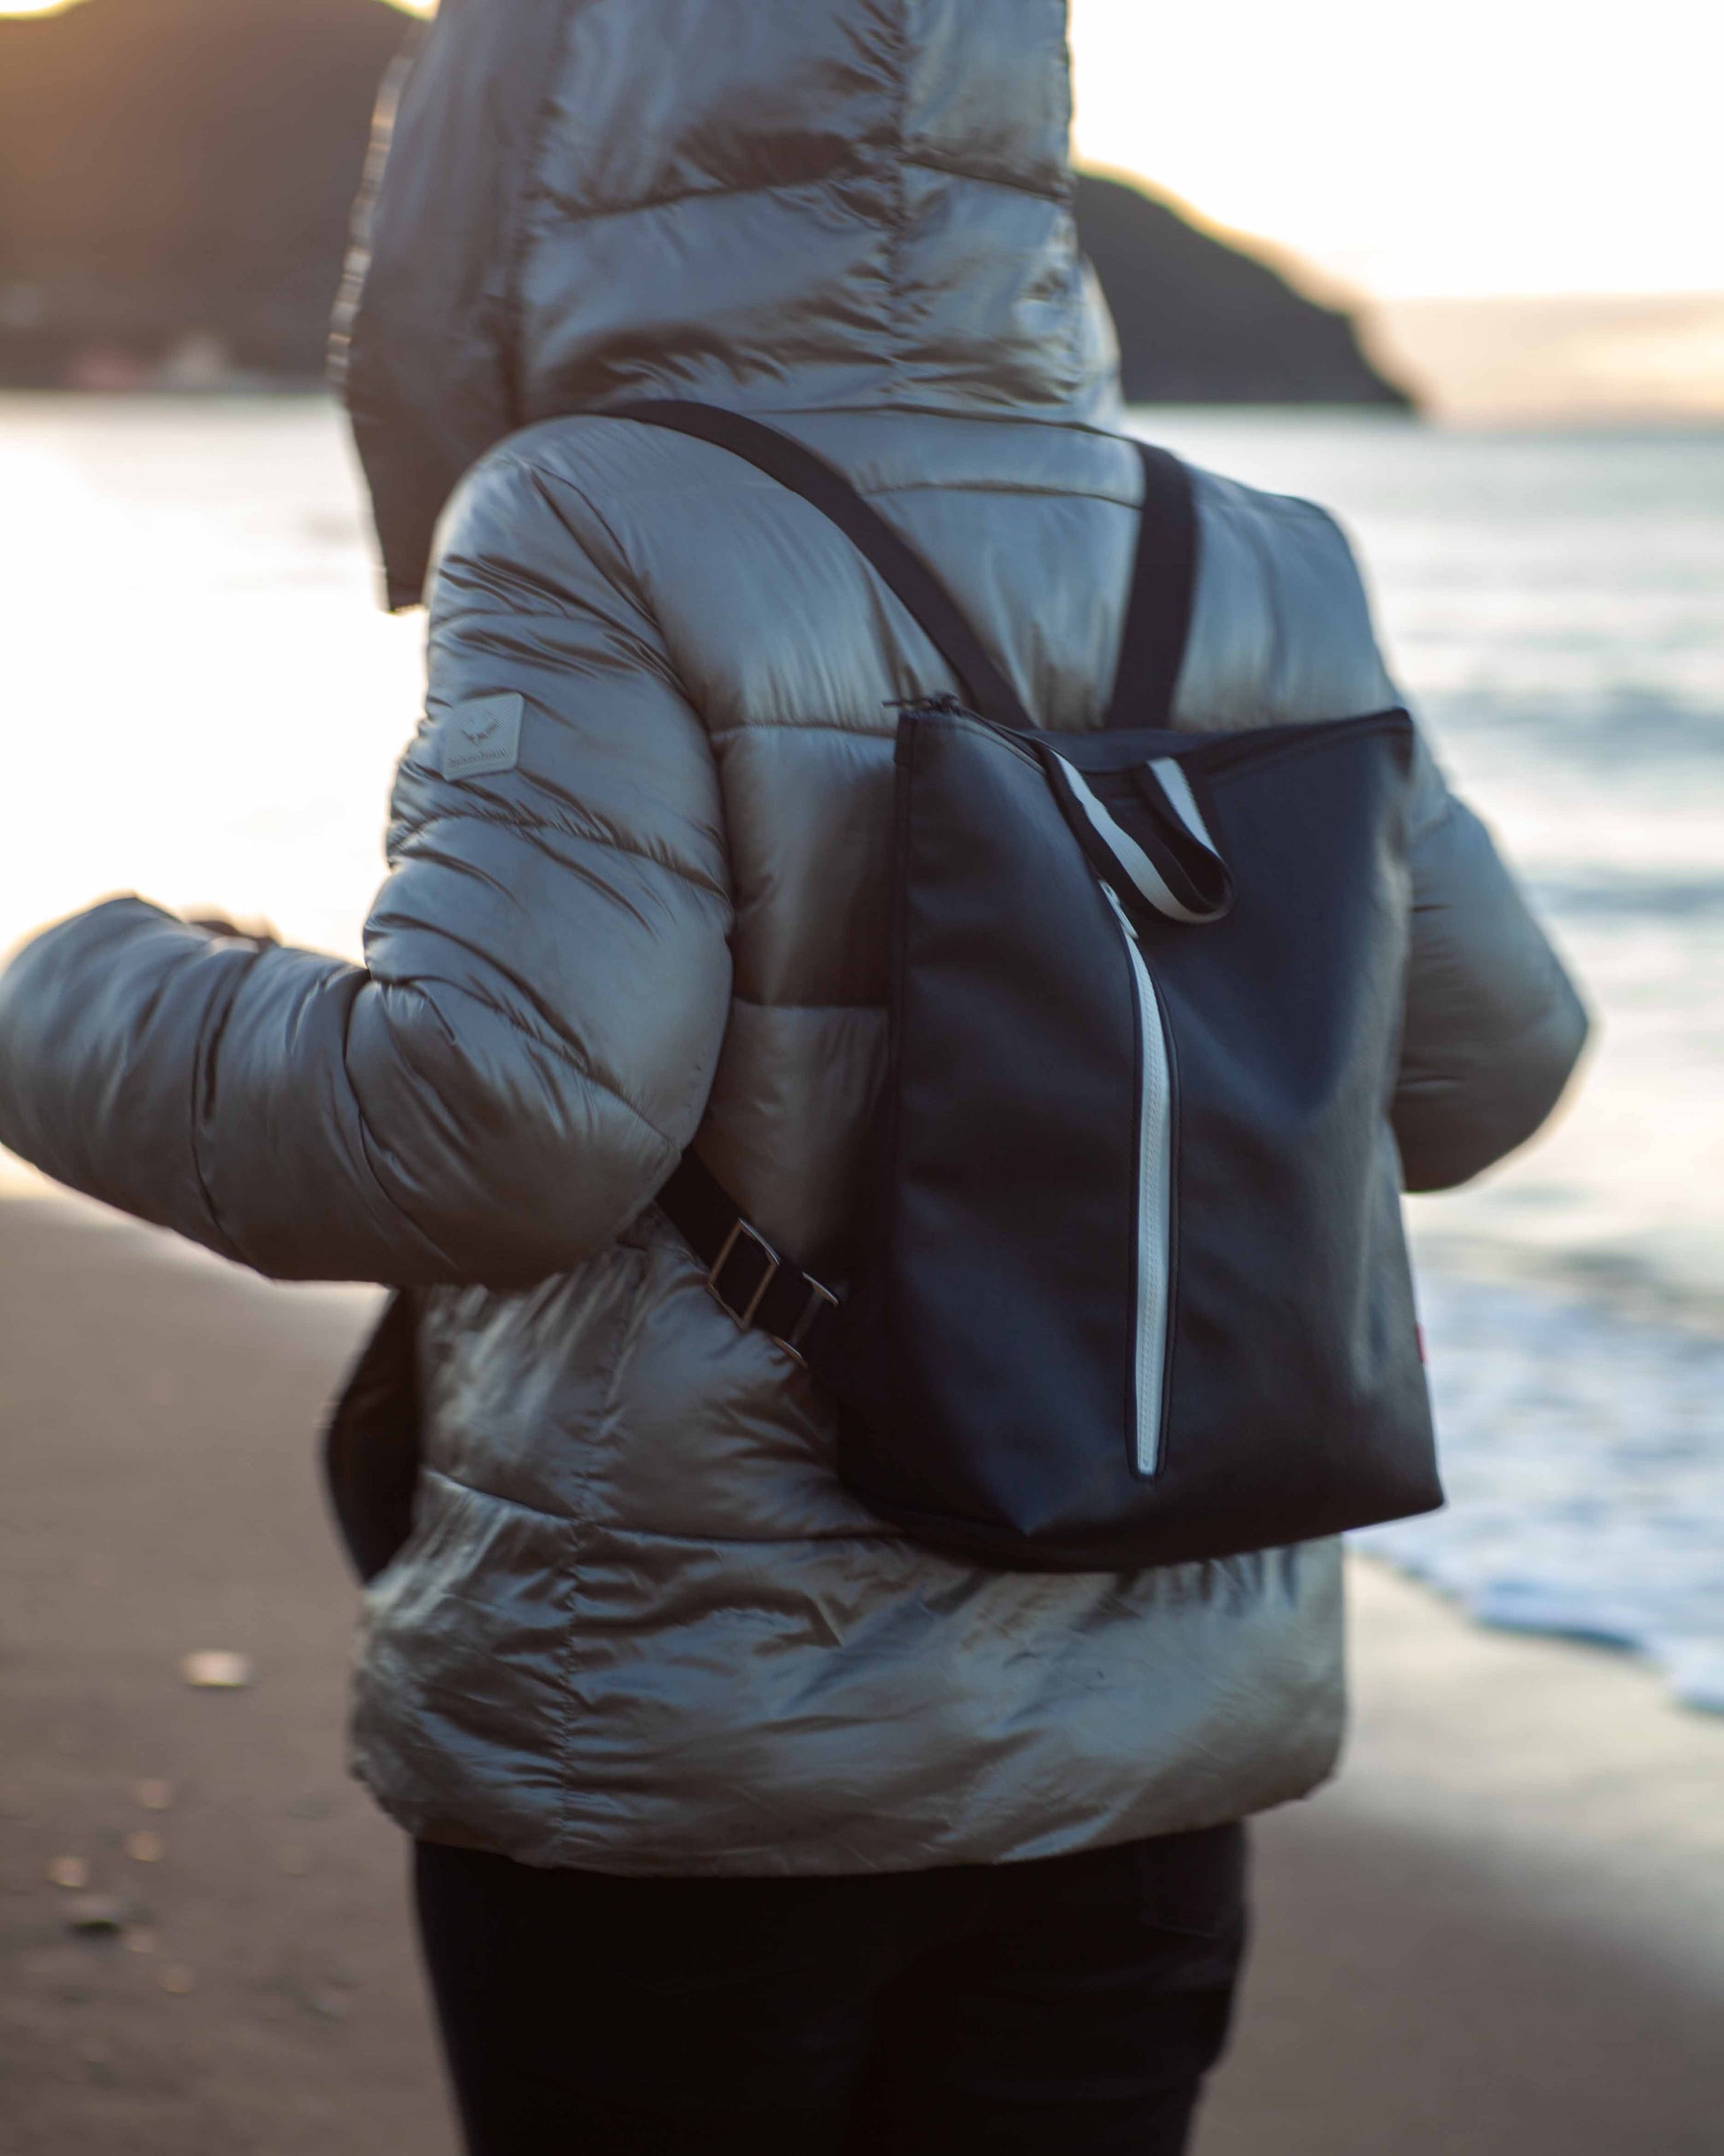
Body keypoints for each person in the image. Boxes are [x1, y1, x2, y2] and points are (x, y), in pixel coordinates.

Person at [0, 4, 1588, 2150]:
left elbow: (489, 1125)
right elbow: (1490, 1073)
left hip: (696, 1731)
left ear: (570, 118)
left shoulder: (602, 509)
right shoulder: (1256, 553)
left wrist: (67, 995)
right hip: (1145, 1735)